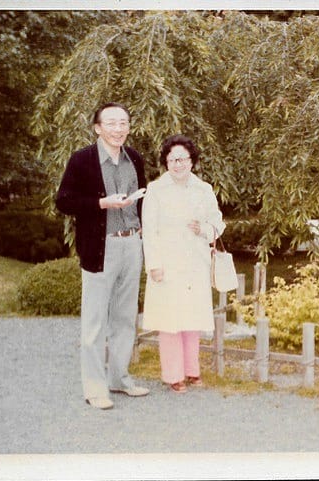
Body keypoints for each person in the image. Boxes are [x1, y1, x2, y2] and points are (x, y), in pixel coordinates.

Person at [56, 102, 150, 410]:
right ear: (98, 127)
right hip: (101, 247)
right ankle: (95, 388)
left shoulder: (134, 158)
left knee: (125, 318)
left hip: (131, 244)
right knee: (95, 321)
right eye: (111, 123)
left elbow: (143, 202)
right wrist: (101, 204)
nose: (119, 128)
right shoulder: (82, 160)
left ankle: (119, 378)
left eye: (123, 122)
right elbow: (64, 201)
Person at [141, 134, 225, 393]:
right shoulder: (155, 191)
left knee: (192, 319)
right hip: (167, 265)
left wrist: (204, 229)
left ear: (192, 161)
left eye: (183, 159)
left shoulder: (204, 190)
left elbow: (218, 224)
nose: (178, 164)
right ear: (166, 163)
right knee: (170, 320)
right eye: (172, 159)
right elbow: (150, 230)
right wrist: (154, 264)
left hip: (195, 264)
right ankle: (173, 375)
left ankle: (192, 371)